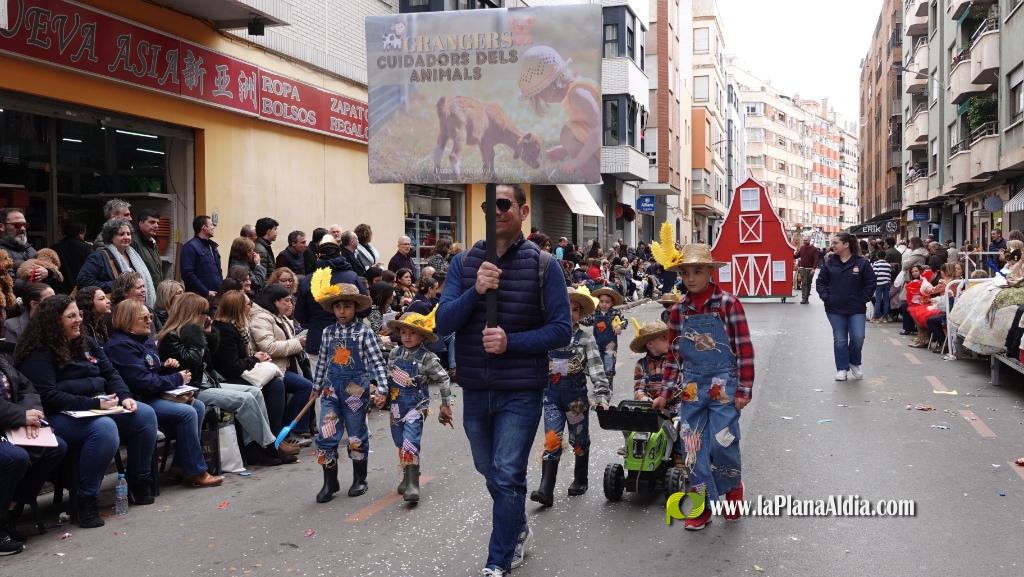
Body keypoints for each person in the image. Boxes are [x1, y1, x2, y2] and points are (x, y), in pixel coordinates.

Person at [435, 183, 571, 575]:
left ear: (523, 212)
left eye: (503, 203)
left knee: (508, 473)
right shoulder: (464, 263)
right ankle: (517, 527)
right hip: (476, 388)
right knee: (489, 468)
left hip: (521, 389)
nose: (495, 210)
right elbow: (443, 322)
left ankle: (498, 560)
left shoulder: (544, 265)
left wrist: (511, 342)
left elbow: (561, 329)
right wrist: (476, 290)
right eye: (488, 204)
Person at [16, 296, 159, 528]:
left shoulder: (87, 342)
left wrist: (125, 396)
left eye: (79, 314)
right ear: (54, 321)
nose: (79, 320)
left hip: (97, 406)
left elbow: (111, 373)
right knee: (104, 429)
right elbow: (49, 396)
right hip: (60, 415)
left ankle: (139, 480)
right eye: (71, 316)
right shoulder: (39, 353)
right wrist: (93, 404)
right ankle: (86, 499)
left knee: (144, 414)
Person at [652, 238, 754, 531]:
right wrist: (665, 392)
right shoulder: (678, 311)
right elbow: (673, 357)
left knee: (723, 443)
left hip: (725, 386)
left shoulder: (728, 304)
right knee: (692, 449)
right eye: (685, 273)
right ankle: (702, 507)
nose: (691, 278)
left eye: (698, 271)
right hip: (692, 388)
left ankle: (732, 489)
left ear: (711, 272)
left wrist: (744, 389)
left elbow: (744, 348)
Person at [104, 299, 223, 488]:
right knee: (187, 412)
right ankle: (196, 471)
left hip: (153, 395)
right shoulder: (120, 346)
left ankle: (180, 466)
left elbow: (150, 371)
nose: (149, 321)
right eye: (144, 318)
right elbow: (141, 382)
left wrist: (165, 368)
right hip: (137, 400)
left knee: (198, 406)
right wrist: (176, 378)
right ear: (128, 320)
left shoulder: (145, 340)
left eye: (150, 317)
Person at [157, 293, 285, 467]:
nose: (208, 316)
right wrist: (197, 335)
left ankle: (253, 447)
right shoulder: (172, 337)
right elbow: (192, 361)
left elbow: (208, 364)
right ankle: (270, 445)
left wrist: (209, 335)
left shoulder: (194, 333)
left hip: (207, 383)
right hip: (190, 390)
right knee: (245, 399)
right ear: (193, 313)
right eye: (205, 312)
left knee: (254, 392)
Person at [308, 273, 388, 502]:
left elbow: (377, 362)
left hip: (355, 390)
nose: (342, 311)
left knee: (355, 434)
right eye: (338, 307)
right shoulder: (328, 332)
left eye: (347, 306)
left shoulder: (364, 333)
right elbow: (322, 362)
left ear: (355, 308)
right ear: (333, 309)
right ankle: (330, 482)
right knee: (326, 434)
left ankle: (359, 479)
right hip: (331, 390)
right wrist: (316, 386)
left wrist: (382, 388)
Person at [529, 286, 609, 507]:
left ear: (580, 314)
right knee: (552, 439)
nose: (570, 313)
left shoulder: (585, 339)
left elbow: (596, 369)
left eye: (575, 309)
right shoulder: (548, 335)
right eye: (565, 308)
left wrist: (601, 395)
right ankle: (546, 489)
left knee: (578, 440)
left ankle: (580, 479)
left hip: (575, 401)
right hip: (552, 398)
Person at [210, 291, 299, 463]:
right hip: (226, 378)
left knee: (276, 384)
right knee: (269, 388)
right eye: (247, 304)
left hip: (236, 374)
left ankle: (272, 440)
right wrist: (255, 359)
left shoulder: (237, 327)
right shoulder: (226, 330)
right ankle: (268, 443)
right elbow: (231, 367)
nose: (251, 307)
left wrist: (254, 358)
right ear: (237, 307)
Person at [0, 349, 68, 555]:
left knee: (55, 447)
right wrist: (21, 415)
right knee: (14, 457)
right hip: (9, 422)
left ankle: (12, 508)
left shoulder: (2, 358)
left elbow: (27, 389)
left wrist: (30, 415)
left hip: (9, 424)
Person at [382, 309, 452, 503]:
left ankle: (413, 484)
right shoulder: (394, 353)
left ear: (422, 336)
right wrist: (381, 395)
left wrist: (445, 404)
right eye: (404, 332)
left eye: (413, 332)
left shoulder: (427, 357)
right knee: (399, 441)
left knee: (410, 440)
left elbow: (444, 378)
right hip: (396, 406)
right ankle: (407, 476)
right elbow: (389, 377)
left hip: (416, 405)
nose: (407, 336)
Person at [517, 46, 600, 179]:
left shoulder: (578, 94)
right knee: (568, 134)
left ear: (552, 85)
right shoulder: (572, 93)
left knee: (567, 133)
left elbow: (600, 130)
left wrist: (578, 160)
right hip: (601, 143)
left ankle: (595, 177)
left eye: (540, 94)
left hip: (612, 148)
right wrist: (565, 149)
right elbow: (587, 128)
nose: (544, 100)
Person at [250, 285, 314, 445]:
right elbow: (269, 347)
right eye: (286, 300)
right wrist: (298, 343)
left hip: (286, 365)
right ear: (275, 301)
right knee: (305, 386)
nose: (290, 304)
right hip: (273, 368)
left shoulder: (277, 316)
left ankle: (301, 428)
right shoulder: (261, 318)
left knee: (310, 382)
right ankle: (292, 431)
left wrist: (297, 341)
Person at [294, 236, 367, 366]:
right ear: (340, 254)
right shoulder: (352, 277)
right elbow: (365, 309)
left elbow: (300, 316)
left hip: (317, 340)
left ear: (318, 256)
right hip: (346, 339)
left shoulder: (309, 280)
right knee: (344, 377)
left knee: (319, 378)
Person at [816, 232, 876, 381]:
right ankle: (842, 368)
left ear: (846, 244)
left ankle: (854, 362)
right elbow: (821, 282)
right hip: (834, 308)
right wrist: (827, 297)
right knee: (840, 339)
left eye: (836, 243)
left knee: (858, 337)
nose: (832, 246)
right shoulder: (830, 263)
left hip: (856, 308)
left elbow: (871, 282)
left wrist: (864, 298)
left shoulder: (862, 263)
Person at [77, 218, 156, 308]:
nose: (126, 237)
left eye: (128, 234)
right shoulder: (99, 256)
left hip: (135, 308)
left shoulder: (134, 255)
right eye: (121, 234)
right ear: (111, 237)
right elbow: (83, 281)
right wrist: (116, 285)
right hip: (113, 308)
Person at [586, 287, 626, 391]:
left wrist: (619, 326)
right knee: (598, 368)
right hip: (596, 345)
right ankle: (600, 387)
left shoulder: (615, 313)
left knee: (609, 367)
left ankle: (609, 387)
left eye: (607, 302)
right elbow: (587, 321)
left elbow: (624, 321)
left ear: (612, 303)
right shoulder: (595, 313)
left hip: (610, 346)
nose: (604, 304)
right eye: (601, 301)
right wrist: (578, 316)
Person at [0, 209, 51, 284]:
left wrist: (47, 273)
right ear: (2, 227)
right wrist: (36, 287)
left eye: (25, 225)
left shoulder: (29, 249)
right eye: (17, 225)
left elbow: (55, 276)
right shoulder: (1, 252)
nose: (23, 229)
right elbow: (8, 283)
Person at [181, 216, 223, 300]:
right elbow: (188, 274)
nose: (213, 227)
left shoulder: (212, 246)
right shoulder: (190, 247)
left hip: (215, 296)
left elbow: (218, 271)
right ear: (204, 227)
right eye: (211, 225)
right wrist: (205, 292)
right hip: (199, 298)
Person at [51, 221, 93, 294]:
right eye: (84, 233)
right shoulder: (87, 248)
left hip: (61, 289)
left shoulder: (54, 248)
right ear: (80, 233)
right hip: (82, 289)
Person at [131, 209, 164, 284]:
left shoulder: (152, 242)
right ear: (140, 223)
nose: (156, 226)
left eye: (157, 223)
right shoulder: (133, 242)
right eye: (152, 222)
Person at [794, 234, 820, 304]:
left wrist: (814, 268)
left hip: (810, 269)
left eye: (806, 240)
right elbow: (797, 256)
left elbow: (816, 259)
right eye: (804, 240)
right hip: (802, 268)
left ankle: (806, 298)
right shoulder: (802, 248)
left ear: (809, 240)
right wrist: (790, 253)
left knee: (809, 283)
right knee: (804, 283)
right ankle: (803, 299)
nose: (805, 241)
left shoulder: (814, 249)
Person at [870, 250, 892, 323]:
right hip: (887, 284)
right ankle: (885, 317)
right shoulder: (888, 265)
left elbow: (874, 274)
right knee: (886, 301)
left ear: (877, 256)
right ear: (885, 256)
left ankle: (877, 317)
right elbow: (889, 275)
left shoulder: (876, 264)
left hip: (878, 284)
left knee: (878, 300)